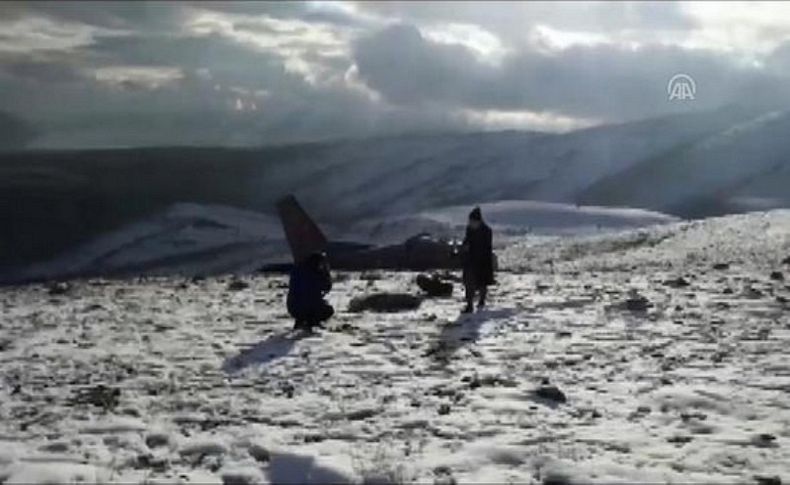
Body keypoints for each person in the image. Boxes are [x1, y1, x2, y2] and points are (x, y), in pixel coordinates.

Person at [287, 251, 334, 331]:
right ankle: (311, 323)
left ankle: (301, 321)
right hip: (308, 307)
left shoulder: (298, 270)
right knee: (328, 310)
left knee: (306, 303)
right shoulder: (316, 274)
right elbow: (326, 287)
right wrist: (326, 273)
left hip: (292, 307)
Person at [461, 206, 494, 313]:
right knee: (468, 283)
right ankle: (469, 304)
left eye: (472, 221)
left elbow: (486, 247)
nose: (470, 223)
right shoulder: (469, 229)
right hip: (470, 260)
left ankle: (481, 300)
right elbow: (466, 240)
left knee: (482, 283)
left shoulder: (487, 231)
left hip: (482, 261)